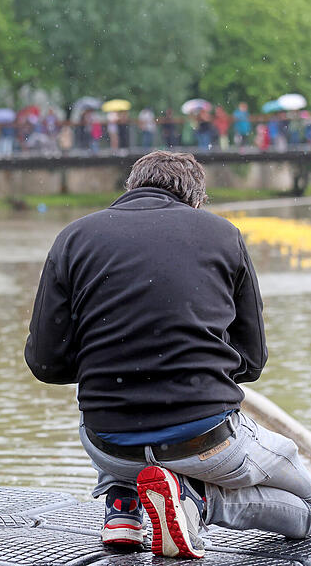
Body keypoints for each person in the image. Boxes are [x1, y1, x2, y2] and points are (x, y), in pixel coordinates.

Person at [24, 151, 311, 559]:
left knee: (113, 386)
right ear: (195, 201)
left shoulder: (73, 238)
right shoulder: (222, 234)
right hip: (208, 441)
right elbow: (253, 358)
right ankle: (198, 500)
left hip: (110, 445)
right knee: (307, 507)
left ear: (131, 188)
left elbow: (45, 363)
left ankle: (122, 506)